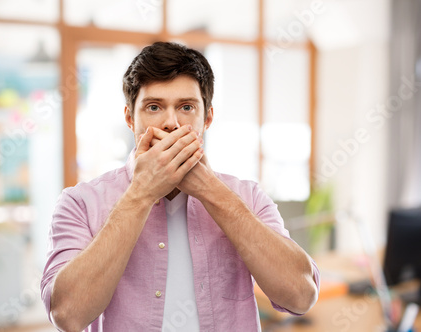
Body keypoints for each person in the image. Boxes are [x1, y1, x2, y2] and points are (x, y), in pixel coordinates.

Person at [41, 41, 320, 332]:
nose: (171, 123)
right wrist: (141, 193)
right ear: (129, 118)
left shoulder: (248, 196)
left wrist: (211, 190)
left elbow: (300, 296)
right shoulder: (80, 203)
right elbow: (67, 314)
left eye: (186, 107)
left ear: (207, 117)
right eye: (153, 107)